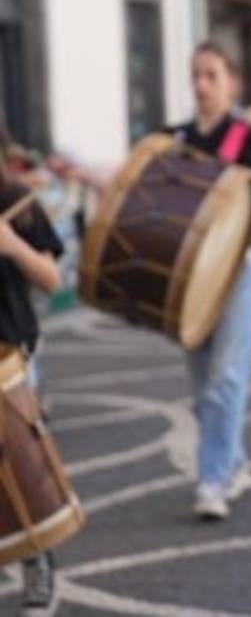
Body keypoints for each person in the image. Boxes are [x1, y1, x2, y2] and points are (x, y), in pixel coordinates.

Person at [162, 44, 251, 523]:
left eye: (212, 75)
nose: (202, 84)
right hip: (188, 276)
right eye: (196, 75)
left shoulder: (249, 138)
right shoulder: (174, 139)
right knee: (203, 387)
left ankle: (212, 480)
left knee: (225, 378)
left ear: (231, 82)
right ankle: (232, 462)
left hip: (236, 268)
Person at [0, 126, 65, 616]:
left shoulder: (17, 202)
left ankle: (39, 560)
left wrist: (11, 247)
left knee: (23, 466)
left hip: (13, 354)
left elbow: (52, 279)